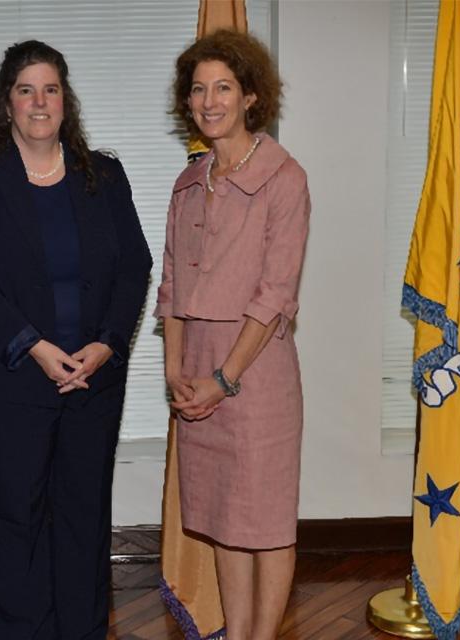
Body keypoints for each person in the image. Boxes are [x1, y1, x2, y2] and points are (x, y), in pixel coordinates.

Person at [0, 40, 151, 640]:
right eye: (26, 89)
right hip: (7, 383)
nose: (39, 101)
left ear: (66, 101)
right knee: (15, 523)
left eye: (50, 88)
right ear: (7, 103)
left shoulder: (103, 175)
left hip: (93, 382)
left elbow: (134, 267)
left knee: (83, 519)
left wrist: (107, 343)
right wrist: (34, 345)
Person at [155, 30, 310, 640]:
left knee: (265, 523)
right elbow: (169, 288)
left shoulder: (284, 178)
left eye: (223, 87)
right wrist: (176, 374)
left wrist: (224, 379)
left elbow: (275, 295)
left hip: (256, 370)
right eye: (198, 89)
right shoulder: (187, 183)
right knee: (222, 517)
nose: (209, 100)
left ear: (250, 97)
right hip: (194, 369)